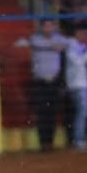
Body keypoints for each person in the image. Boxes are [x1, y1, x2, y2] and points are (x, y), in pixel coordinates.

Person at [15, 18, 69, 151]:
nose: (48, 29)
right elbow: (21, 43)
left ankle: (50, 142)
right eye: (46, 26)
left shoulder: (60, 39)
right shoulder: (36, 39)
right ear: (41, 27)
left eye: (51, 26)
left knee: (52, 113)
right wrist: (53, 47)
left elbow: (68, 44)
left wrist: (59, 46)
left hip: (54, 82)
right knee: (41, 113)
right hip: (40, 82)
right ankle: (43, 142)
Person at [63, 23, 87, 150]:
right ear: (77, 33)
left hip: (86, 84)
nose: (86, 36)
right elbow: (78, 61)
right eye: (84, 33)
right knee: (81, 113)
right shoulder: (71, 46)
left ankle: (81, 139)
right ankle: (78, 140)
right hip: (77, 85)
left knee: (84, 113)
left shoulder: (83, 46)